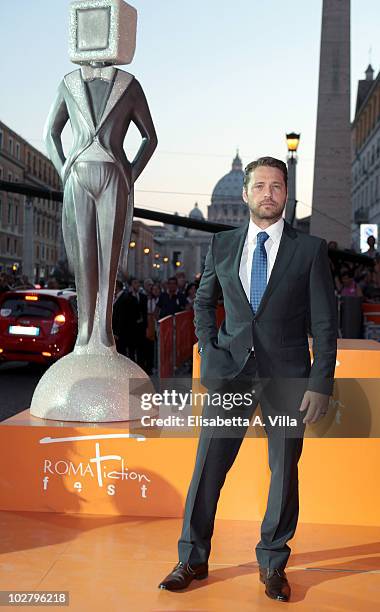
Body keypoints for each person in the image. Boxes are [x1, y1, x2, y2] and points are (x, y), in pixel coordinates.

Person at [158, 156, 338, 602]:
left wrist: (320, 382)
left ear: (286, 193)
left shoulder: (310, 251)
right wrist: (208, 348)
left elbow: (325, 325)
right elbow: (202, 303)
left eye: (276, 186)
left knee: (282, 475)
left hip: (288, 378)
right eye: (260, 186)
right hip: (230, 376)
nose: (268, 194)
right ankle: (192, 559)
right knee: (207, 470)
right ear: (244, 194)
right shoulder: (221, 245)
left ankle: (273, 564)